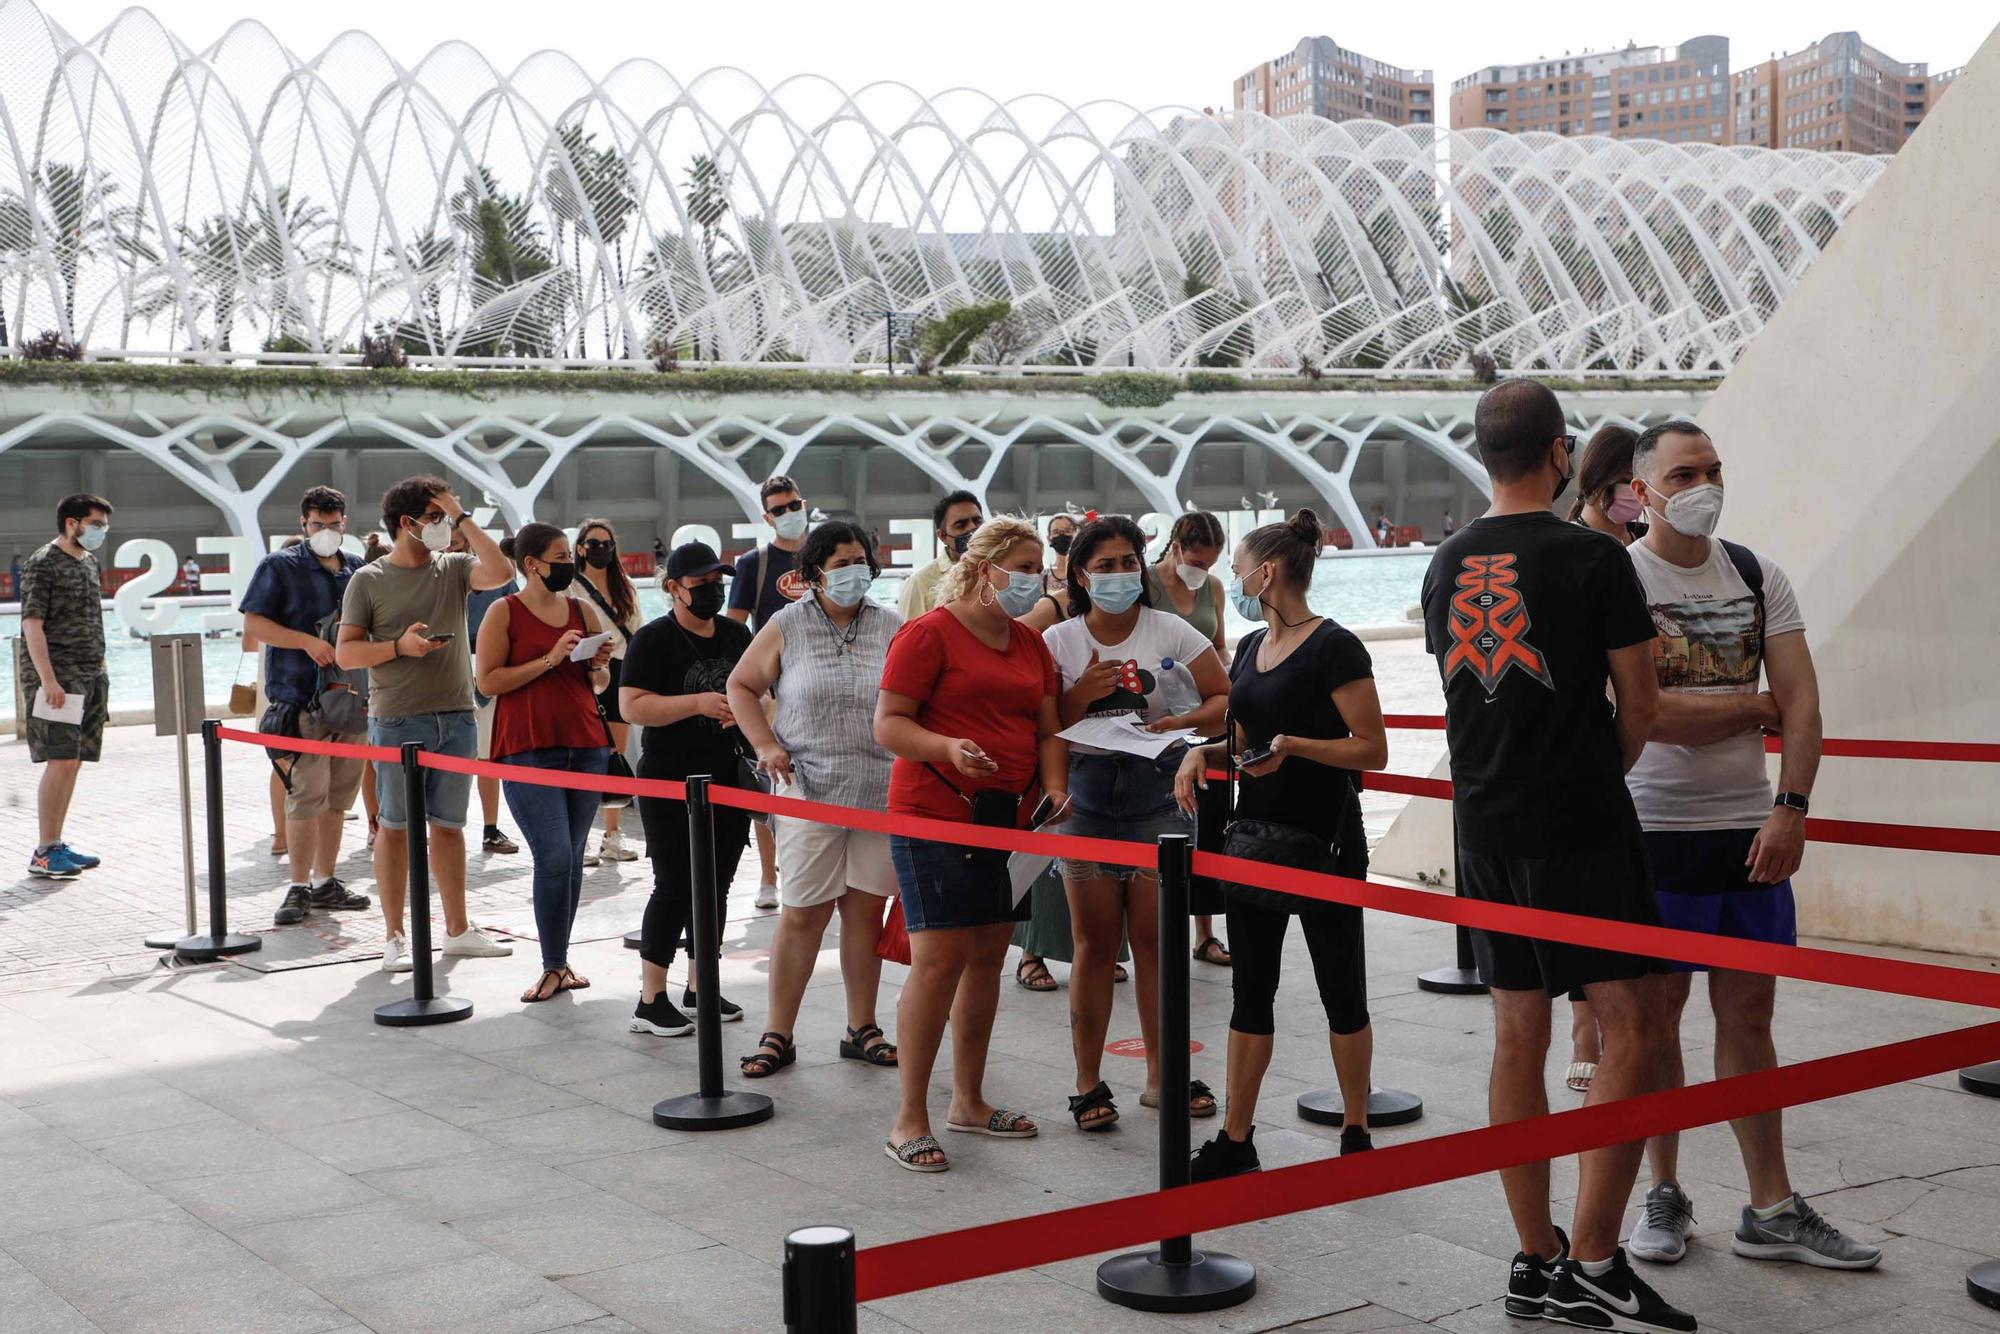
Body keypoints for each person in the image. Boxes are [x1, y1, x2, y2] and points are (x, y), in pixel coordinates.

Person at [1419, 380, 1688, 1332]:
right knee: (1639, 1025)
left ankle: (1535, 1260)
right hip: (1577, 822)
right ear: (1559, 452)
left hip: (1481, 825)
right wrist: (1591, 774)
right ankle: (1597, 1256)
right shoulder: (1593, 557)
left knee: (1518, 1035)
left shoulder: (1444, 562)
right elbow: (1642, 706)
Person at [1621, 423, 1875, 1271]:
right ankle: (1664, 1192)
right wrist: (1748, 705)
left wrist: (1792, 808)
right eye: (1685, 472)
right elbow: (1641, 714)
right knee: (1655, 1027)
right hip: (1653, 832)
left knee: (1750, 1018)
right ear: (1642, 488)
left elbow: (1802, 702)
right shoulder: (1618, 579)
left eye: (1715, 470)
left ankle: (1770, 1204)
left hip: (1749, 830)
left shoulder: (1759, 575)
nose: (1705, 485)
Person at [1177, 510, 1390, 1177]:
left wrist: (1297, 748)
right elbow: (1244, 735)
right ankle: (1237, 1138)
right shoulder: (1247, 646)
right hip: (1255, 837)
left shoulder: (1335, 647)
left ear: (1267, 571)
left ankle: (1356, 1128)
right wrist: (1202, 753)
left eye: (1238, 567)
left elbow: (1372, 749)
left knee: (1341, 988)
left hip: (1324, 837)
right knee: (1251, 990)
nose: (1233, 579)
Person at [875, 516, 1064, 1171]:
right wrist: (947, 748)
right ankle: (909, 1118)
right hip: (935, 812)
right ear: (986, 568)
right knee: (939, 960)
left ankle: (970, 1101)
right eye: (1025, 564)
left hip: (1007, 820)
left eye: (1042, 565)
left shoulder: (1028, 643)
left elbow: (1047, 729)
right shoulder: (928, 634)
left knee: (986, 957)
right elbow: (889, 724)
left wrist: (1054, 787)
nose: (1036, 578)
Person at [1046, 515, 1229, 1132]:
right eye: (1105, 565)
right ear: (1080, 574)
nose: (1120, 574)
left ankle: (1162, 1076)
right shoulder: (1061, 641)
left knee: (1156, 947)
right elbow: (1042, 722)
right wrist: (1081, 693)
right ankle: (1087, 1083)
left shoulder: (1169, 629)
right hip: (1086, 797)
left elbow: (1223, 699)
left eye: (1129, 562)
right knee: (1094, 947)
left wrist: (1176, 726)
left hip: (1158, 794)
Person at [726, 520, 901, 1077]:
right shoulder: (787, 624)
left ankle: (862, 1027)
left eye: (860, 560)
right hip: (808, 790)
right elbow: (741, 686)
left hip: (878, 791)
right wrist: (764, 743)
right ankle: (778, 1033)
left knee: (865, 914)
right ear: (813, 572)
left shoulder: (892, 625)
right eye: (841, 561)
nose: (853, 571)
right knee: (802, 913)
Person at [336, 476, 517, 972]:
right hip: (397, 719)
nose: (445, 528)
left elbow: (501, 571)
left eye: (445, 518)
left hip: (456, 715)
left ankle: (457, 930)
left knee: (450, 828)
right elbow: (346, 650)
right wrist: (399, 647)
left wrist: (461, 515)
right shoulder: (368, 580)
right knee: (395, 829)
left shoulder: (455, 568)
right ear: (406, 523)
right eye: (435, 518)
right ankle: (394, 935)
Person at [474, 524, 615, 1004]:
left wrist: (598, 665)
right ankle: (552, 963)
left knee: (573, 859)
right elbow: (488, 682)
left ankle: (560, 961)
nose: (569, 563)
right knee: (553, 855)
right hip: (528, 747)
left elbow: (597, 684)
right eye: (559, 556)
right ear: (532, 563)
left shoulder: (583, 610)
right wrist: (552, 659)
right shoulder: (504, 611)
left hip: (585, 744)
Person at [622, 542, 755, 1037]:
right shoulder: (653, 640)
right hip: (669, 776)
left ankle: (702, 985)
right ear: (673, 588)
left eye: (717, 582)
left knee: (717, 884)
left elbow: (758, 691)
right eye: (700, 584)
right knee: (675, 883)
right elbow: (633, 706)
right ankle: (649, 997)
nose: (712, 591)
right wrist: (697, 703)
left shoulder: (736, 635)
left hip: (726, 776)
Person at [239, 486, 373, 925]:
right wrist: (306, 642)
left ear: (345, 525)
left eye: (334, 525)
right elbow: (255, 623)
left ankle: (325, 880)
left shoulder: (356, 569)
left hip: (351, 701)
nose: (327, 532)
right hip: (300, 698)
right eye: (318, 524)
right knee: (305, 796)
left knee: (338, 799)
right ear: (303, 524)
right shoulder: (280, 566)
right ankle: (297, 886)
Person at [1559, 422, 1644, 1093]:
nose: (1637, 497)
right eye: (1629, 484)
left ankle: (1616, 1029)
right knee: (1586, 912)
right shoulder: (1579, 550)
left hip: (1639, 756)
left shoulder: (1640, 551)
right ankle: (1585, 1029)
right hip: (1596, 761)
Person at [1145, 509, 1232, 968]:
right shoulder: (1144, 583)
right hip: (1154, 720)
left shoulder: (1211, 589)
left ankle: (1205, 931)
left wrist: (1222, 665)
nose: (1201, 572)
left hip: (1203, 713)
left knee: (1208, 820)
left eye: (1211, 564)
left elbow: (1217, 644)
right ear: (1176, 546)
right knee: (1153, 822)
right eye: (1196, 561)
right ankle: (1139, 935)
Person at [728, 476, 813, 910]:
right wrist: (751, 689)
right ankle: (767, 877)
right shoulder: (754, 564)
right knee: (770, 780)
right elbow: (733, 625)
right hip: (774, 690)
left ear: (804, 503)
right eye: (777, 510)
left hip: (820, 684)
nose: (787, 514)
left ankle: (809, 866)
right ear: (766, 517)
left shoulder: (826, 555)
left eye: (792, 505)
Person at [20, 494, 113, 879]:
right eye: (95, 524)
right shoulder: (43, 564)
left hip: (90, 675)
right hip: (59, 679)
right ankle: (44, 850)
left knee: (73, 761)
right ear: (72, 523)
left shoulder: (89, 562)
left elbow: (93, 619)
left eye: (104, 526)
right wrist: (48, 680)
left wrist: (102, 670)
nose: (100, 532)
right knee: (59, 760)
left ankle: (56, 843)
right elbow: (32, 624)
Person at [574, 517, 643, 865]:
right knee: (588, 750)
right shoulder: (571, 587)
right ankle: (583, 836)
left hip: (621, 670)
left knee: (615, 751)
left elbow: (637, 631)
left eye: (607, 543)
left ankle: (612, 836)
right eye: (593, 542)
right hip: (585, 670)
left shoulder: (624, 585)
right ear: (580, 547)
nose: (600, 549)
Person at [458, 524, 521, 858]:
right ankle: (431, 825)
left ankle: (490, 827)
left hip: (490, 669)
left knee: (488, 755)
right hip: (444, 670)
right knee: (439, 756)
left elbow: (515, 614)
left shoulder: (495, 576)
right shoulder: (428, 573)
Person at [896, 489, 983, 620]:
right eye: (961, 525)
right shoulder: (921, 583)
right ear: (942, 536)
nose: (972, 528)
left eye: (977, 521)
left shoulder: (998, 569)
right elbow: (908, 636)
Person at [1571, 423, 1646, 545]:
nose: (1637, 491)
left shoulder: (1648, 540)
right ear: (1595, 477)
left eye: (1643, 483)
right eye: (1627, 481)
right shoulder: (1568, 546)